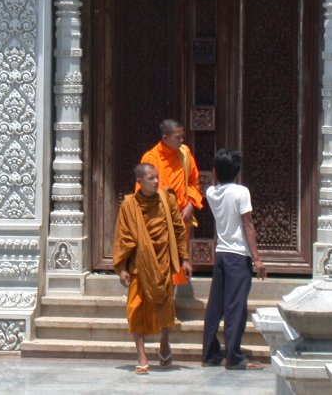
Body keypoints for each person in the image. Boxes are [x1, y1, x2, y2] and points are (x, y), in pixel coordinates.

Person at [113, 163, 193, 374]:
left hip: (163, 262)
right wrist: (122, 268)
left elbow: (177, 228)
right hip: (139, 265)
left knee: (165, 308)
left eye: (157, 177)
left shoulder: (167, 199)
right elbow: (123, 237)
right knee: (135, 310)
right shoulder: (129, 205)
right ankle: (141, 355)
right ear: (140, 182)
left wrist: (184, 259)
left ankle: (165, 341)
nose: (157, 181)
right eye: (151, 178)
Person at [201, 149, 266, 370]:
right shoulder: (241, 192)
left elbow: (215, 184)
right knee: (235, 306)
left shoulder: (211, 192)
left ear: (216, 171)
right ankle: (233, 356)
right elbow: (248, 225)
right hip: (238, 255)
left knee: (216, 306)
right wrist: (257, 259)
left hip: (221, 253)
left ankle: (209, 353)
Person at [139, 119, 203, 284]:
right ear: (165, 138)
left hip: (179, 221)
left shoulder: (185, 154)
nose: (182, 140)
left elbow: (194, 182)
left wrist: (190, 203)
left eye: (182, 136)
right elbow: (142, 192)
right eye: (178, 137)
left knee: (175, 272)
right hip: (157, 222)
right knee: (157, 271)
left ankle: (168, 308)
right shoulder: (151, 158)